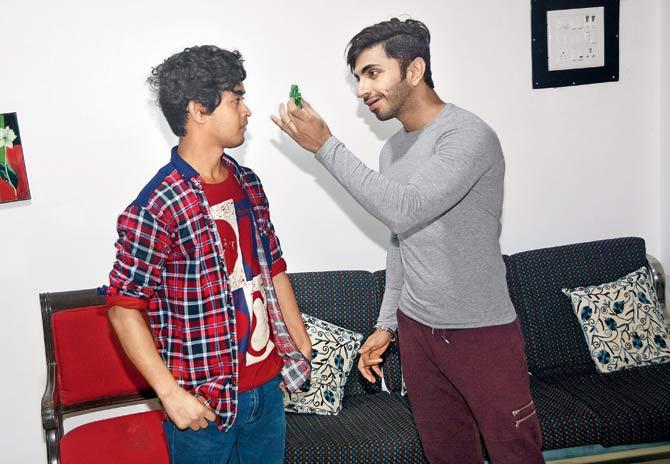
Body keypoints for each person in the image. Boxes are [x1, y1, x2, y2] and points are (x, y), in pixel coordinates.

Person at [271, 18, 544, 464]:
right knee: (447, 455)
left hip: (481, 333)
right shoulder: (393, 150)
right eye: (358, 78)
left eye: (373, 73)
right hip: (418, 332)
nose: (361, 90)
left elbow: (405, 207)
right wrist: (387, 324)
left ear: (413, 71)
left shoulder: (467, 135)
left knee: (516, 454)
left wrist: (326, 147)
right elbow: (401, 240)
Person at [103, 45, 311, 464]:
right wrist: (170, 395)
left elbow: (273, 266)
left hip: (267, 392)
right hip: (205, 405)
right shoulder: (157, 205)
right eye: (237, 98)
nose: (247, 110)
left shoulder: (247, 182)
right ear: (199, 110)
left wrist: (299, 340)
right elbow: (123, 308)